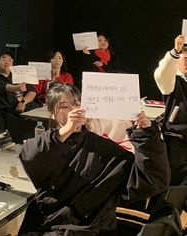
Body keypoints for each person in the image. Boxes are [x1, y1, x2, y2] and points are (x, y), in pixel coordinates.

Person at [19, 83, 169, 235]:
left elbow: (152, 181)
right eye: (64, 106)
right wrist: (66, 130)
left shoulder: (104, 149)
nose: (74, 110)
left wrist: (146, 136)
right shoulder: (46, 143)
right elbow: (30, 159)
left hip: (87, 229)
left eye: (78, 104)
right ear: (52, 113)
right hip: (44, 223)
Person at [154, 34, 187, 185]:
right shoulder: (172, 81)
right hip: (176, 138)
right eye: (183, 58)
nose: (185, 60)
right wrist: (175, 52)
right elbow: (162, 74)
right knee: (172, 182)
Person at [0, 51, 38, 129]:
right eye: (3, 59)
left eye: (10, 60)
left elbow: (32, 91)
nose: (7, 61)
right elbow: (4, 87)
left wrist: (23, 102)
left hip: (26, 106)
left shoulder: (18, 75)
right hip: (8, 112)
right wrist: (17, 87)